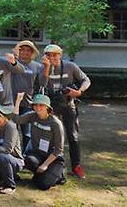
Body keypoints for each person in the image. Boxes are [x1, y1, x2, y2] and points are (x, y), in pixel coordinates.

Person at [37, 44, 91, 179]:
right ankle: (54, 165)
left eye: (55, 54)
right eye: (48, 54)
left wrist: (79, 92)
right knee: (52, 135)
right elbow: (42, 84)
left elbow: (86, 80)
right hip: (51, 106)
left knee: (73, 136)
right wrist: (47, 68)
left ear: (60, 55)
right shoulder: (42, 67)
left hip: (68, 104)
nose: (52, 57)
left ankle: (76, 166)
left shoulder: (70, 66)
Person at [14, 93, 66, 190]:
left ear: (47, 107)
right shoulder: (32, 116)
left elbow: (59, 149)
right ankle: (45, 174)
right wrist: (18, 101)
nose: (38, 107)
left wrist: (45, 165)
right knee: (28, 160)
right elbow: (16, 119)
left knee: (43, 185)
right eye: (35, 105)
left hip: (53, 158)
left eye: (41, 105)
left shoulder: (55, 123)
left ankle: (59, 174)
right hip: (38, 154)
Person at [13, 40, 43, 148]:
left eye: (28, 50)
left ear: (32, 52)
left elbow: (40, 86)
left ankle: (26, 155)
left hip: (28, 104)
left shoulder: (37, 66)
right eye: (22, 50)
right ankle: (14, 154)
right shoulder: (12, 64)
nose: (25, 52)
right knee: (12, 132)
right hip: (12, 103)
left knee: (27, 133)